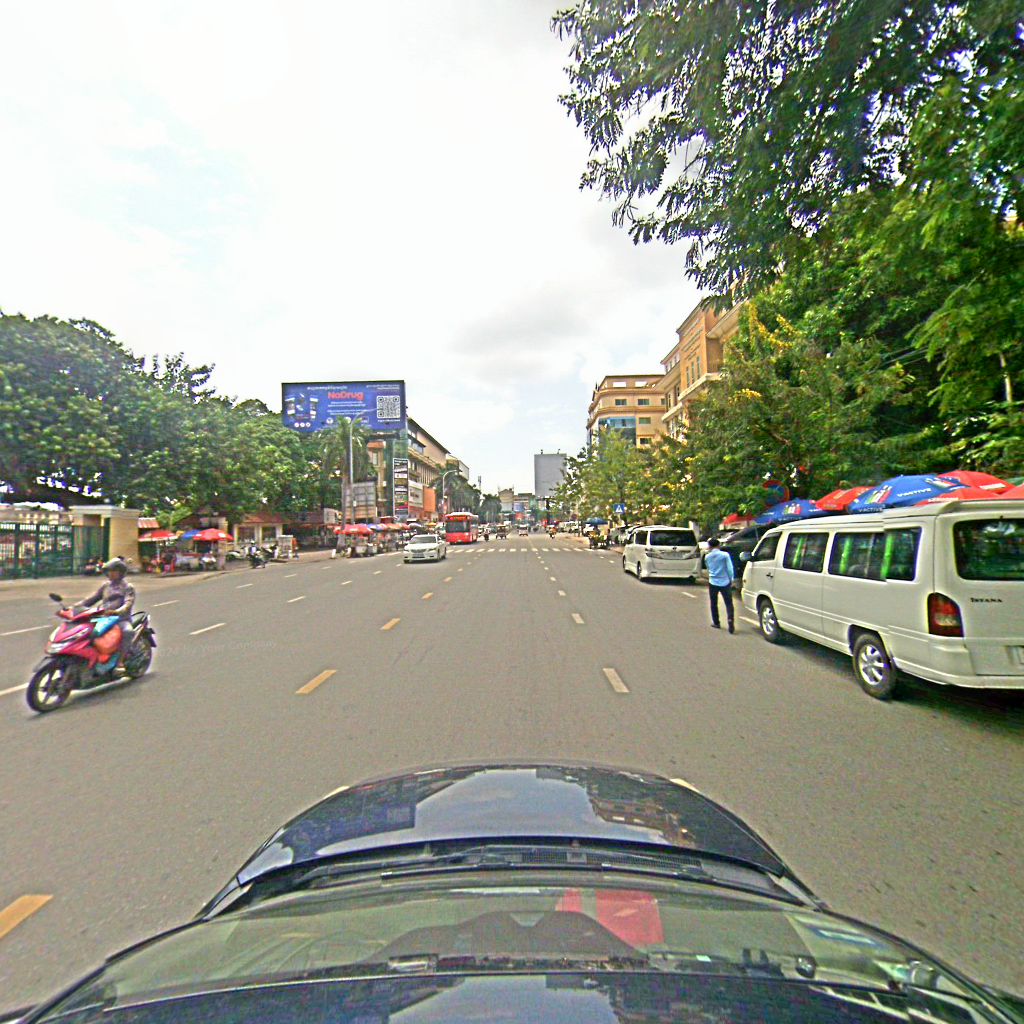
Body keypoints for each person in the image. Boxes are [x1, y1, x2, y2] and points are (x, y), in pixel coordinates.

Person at [77, 558, 136, 666]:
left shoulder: (128, 587)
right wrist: (76, 607)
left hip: (120, 619)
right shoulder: (106, 586)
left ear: (121, 572)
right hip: (104, 618)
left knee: (128, 632)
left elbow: (128, 603)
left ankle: (121, 661)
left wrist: (117, 611)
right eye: (109, 571)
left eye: (114, 571)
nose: (111, 573)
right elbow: (92, 599)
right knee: (86, 632)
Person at [704, 537, 735, 633]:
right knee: (729, 603)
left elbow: (708, 568)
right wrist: (731, 579)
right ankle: (730, 620)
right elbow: (730, 568)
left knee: (713, 603)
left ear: (709, 546)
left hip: (713, 581)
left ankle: (716, 622)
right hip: (725, 581)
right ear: (718, 545)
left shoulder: (707, 557)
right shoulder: (725, 555)